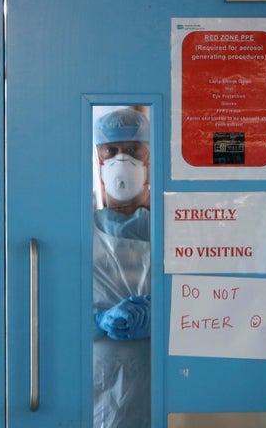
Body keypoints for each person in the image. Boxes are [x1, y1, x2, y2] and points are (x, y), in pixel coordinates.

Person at [92, 107, 151, 428]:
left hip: (158, 373)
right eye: (111, 151)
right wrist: (96, 319)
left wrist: (166, 315)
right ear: (98, 160)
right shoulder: (77, 221)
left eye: (132, 151)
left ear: (150, 159)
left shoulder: (173, 221)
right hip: (96, 373)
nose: (121, 160)